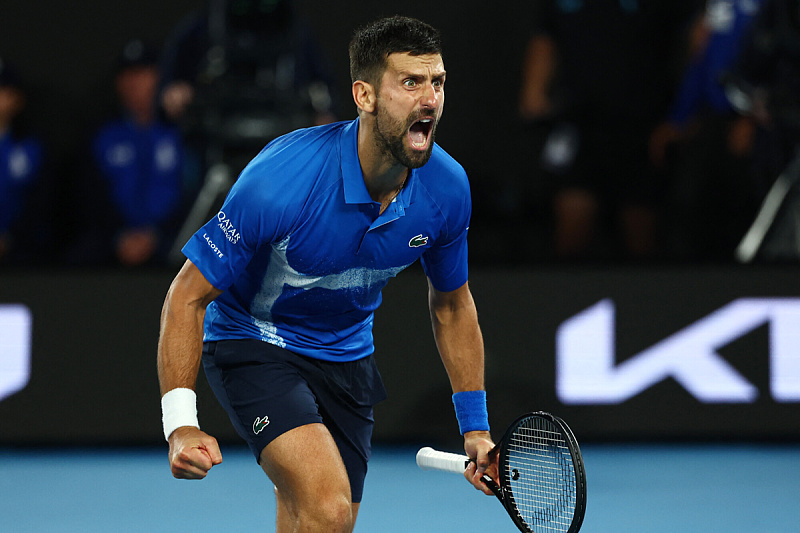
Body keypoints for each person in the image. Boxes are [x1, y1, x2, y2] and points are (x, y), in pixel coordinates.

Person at [157, 15, 497, 532]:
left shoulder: (448, 190)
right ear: (364, 96)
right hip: (255, 342)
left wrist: (476, 431)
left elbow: (452, 304)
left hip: (347, 357)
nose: (430, 100)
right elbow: (186, 296)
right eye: (410, 82)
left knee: (313, 522)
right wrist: (180, 423)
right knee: (328, 508)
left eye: (438, 82)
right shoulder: (282, 180)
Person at [518, 0, 702, 261]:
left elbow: (698, 35)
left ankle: (643, 298)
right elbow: (546, 35)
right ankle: (570, 298)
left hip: (643, 126)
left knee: (642, 234)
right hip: (578, 122)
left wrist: (686, 112)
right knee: (571, 227)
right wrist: (533, 90)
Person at [650, 0, 765, 260]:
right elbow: (703, 56)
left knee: (749, 219)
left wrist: (753, 116)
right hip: (712, 119)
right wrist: (680, 117)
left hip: (760, 121)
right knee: (691, 213)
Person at [75, 39, 185, 266]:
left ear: (161, 77)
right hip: (113, 244)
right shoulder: (102, 136)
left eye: (143, 73)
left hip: (173, 242)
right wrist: (119, 236)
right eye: (127, 75)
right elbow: (90, 197)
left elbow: (195, 194)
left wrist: (156, 235)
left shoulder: (184, 134)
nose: (134, 82)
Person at [0, 56, 45, 264]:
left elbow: (39, 208)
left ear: (17, 99)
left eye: (3, 91)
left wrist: (10, 239)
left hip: (19, 253)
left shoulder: (31, 149)